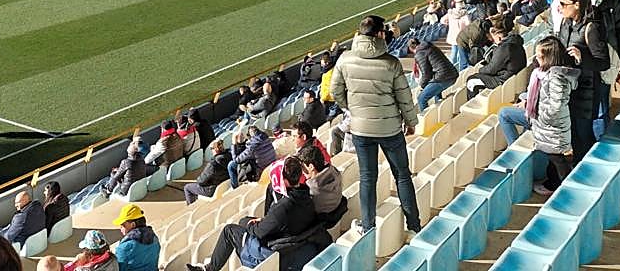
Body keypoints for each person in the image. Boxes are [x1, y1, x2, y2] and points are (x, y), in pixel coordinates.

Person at [330, 14, 421, 235]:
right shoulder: (391, 63)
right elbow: (405, 98)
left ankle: (368, 226)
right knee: (402, 175)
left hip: (361, 129)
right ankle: (414, 226)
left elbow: (335, 92)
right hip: (389, 129)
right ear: (380, 34)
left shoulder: (344, 59)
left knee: (368, 177)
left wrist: (353, 109)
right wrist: (411, 122)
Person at [187, 156, 317, 271]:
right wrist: (266, 221)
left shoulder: (283, 207)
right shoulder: (307, 197)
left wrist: (246, 222)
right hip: (289, 241)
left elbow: (259, 232)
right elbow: (275, 221)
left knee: (229, 231)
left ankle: (210, 269)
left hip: (271, 251)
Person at [554, 0, 604, 161]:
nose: (559, 7)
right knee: (573, 133)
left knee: (583, 134)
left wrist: (582, 57)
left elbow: (603, 62)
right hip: (569, 88)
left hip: (587, 90)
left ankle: (586, 168)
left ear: (576, 5)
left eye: (563, 3)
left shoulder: (591, 27)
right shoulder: (565, 23)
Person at [527, 36, 580, 195]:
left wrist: (543, 118)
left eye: (540, 56)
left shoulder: (556, 76)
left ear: (549, 57)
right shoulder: (546, 73)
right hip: (549, 127)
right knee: (554, 157)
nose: (536, 58)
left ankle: (563, 188)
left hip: (552, 126)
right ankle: (553, 183)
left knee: (557, 159)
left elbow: (556, 105)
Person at [465, 22, 527, 97]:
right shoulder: (516, 42)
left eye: (493, 38)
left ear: (498, 37)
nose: (492, 41)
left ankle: (473, 102)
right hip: (513, 76)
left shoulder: (503, 48)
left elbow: (491, 69)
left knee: (471, 80)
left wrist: (480, 70)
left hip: (504, 79)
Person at [408, 36, 459, 111]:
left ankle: (426, 119)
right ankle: (440, 112)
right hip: (452, 74)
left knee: (421, 98)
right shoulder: (430, 47)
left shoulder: (420, 53)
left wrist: (422, 86)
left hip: (444, 77)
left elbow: (426, 74)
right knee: (436, 92)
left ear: (411, 48)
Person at [112, 203, 160, 271]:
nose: (120, 228)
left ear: (133, 225)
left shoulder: (123, 248)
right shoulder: (154, 238)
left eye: (123, 225)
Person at [184, 138, 231, 204]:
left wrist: (198, 180)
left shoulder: (213, 164)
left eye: (211, 148)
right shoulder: (230, 156)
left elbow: (201, 181)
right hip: (225, 184)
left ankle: (191, 207)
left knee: (187, 188)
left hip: (212, 189)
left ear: (215, 149)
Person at [229, 124, 276, 189]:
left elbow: (236, 160)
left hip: (259, 174)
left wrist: (234, 143)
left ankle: (235, 188)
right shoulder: (266, 138)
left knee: (231, 165)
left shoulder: (252, 148)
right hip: (270, 166)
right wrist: (242, 143)